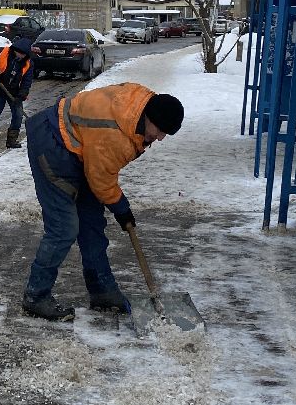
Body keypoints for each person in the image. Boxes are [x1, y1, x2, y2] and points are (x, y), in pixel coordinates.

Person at [21, 83, 185, 320]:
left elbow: (100, 171)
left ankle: (102, 291)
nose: (159, 138)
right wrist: (122, 209)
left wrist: (119, 205)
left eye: (165, 134)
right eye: (159, 130)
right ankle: (35, 296)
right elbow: (101, 180)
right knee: (64, 228)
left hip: (82, 147)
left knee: (92, 225)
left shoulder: (140, 103)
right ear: (149, 116)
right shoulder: (116, 135)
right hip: (52, 142)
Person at [0, 37, 35, 157]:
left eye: (23, 54)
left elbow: (27, 81)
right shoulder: (2, 53)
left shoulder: (28, 63)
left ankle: (11, 141)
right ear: (15, 49)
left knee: (18, 115)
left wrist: (22, 95)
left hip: (14, 93)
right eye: (19, 52)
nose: (20, 55)